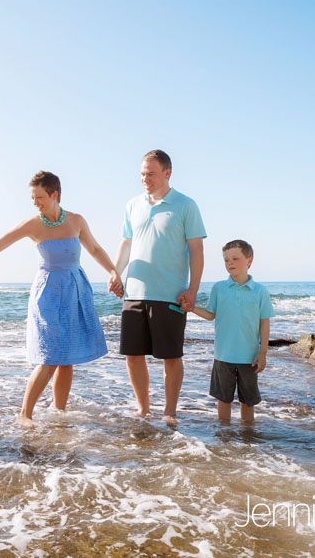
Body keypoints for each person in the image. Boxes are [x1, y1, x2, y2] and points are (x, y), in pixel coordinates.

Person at [0, 171, 123, 427]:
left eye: (39, 197)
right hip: (48, 294)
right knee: (49, 358)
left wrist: (114, 271)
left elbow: (94, 249)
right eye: (32, 198)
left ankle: (59, 413)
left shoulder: (76, 221)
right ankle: (25, 414)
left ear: (54, 194)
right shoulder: (33, 225)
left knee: (67, 358)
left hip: (74, 291)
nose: (35, 203)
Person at [114, 150, 205, 424]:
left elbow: (196, 250)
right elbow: (127, 244)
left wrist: (193, 289)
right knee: (132, 355)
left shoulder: (186, 205)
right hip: (134, 292)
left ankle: (170, 411)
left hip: (169, 294)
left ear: (167, 173)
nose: (145, 179)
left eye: (151, 174)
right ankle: (143, 408)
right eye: (142, 174)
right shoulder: (132, 205)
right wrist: (115, 273)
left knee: (171, 356)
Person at [183, 239, 274, 424]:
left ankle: (248, 438)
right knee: (223, 399)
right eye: (226, 260)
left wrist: (263, 352)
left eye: (235, 258)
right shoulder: (219, 288)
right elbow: (210, 314)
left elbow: (264, 323)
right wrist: (191, 308)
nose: (230, 263)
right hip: (223, 355)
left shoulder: (260, 291)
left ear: (249, 260)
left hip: (249, 357)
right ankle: (224, 439)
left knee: (248, 402)